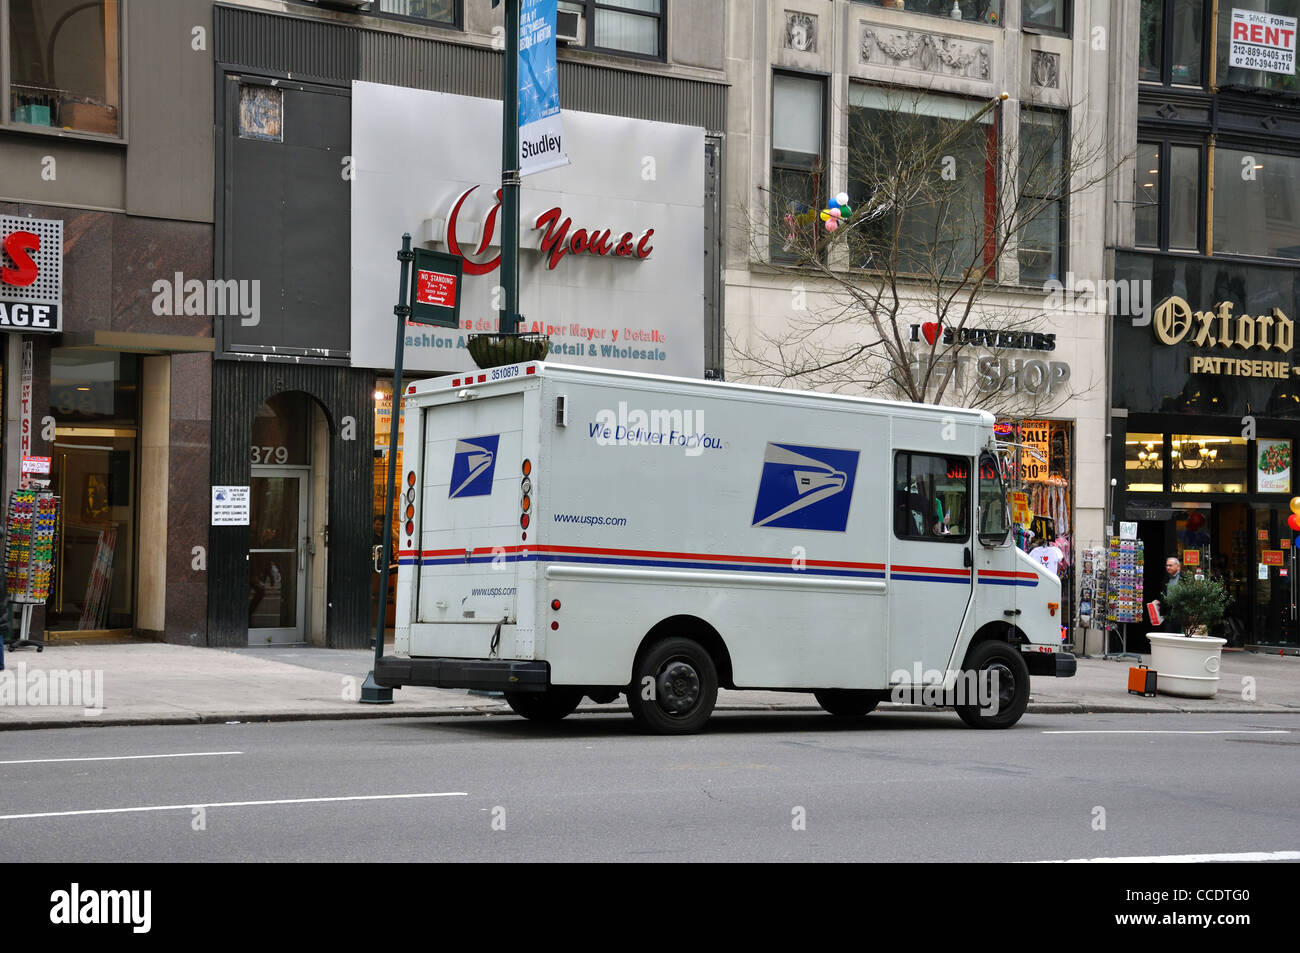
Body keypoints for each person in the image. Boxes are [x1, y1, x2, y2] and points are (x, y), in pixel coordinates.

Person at [1157, 556, 1183, 632]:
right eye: (1167, 565)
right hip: (1168, 614)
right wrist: (1159, 601)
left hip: (1181, 614)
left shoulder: (1185, 578)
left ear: (1178, 566)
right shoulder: (1166, 578)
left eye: (1170, 565)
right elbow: (1164, 593)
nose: (1168, 567)